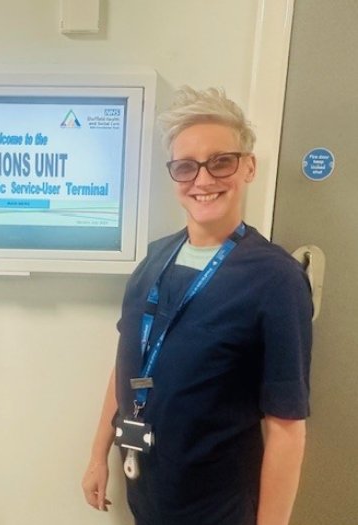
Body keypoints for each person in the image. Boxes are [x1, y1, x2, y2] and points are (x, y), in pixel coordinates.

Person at [81, 86, 312, 525]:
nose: (202, 180)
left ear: (248, 167)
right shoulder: (155, 260)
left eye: (220, 161)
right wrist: (98, 455)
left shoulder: (275, 279)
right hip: (148, 493)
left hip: (218, 507)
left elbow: (287, 428)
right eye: (186, 167)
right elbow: (126, 364)